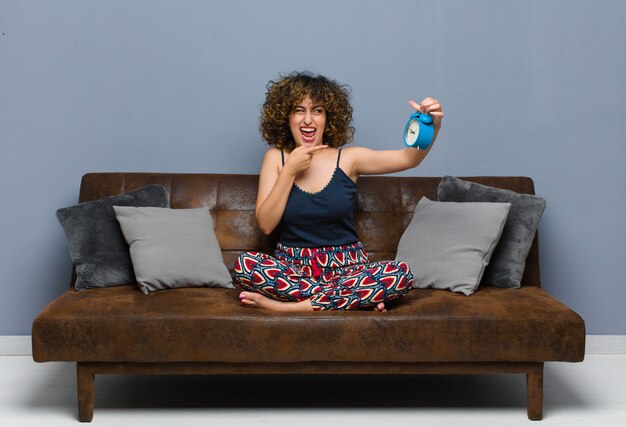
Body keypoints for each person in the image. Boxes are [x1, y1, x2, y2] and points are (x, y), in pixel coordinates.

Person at [234, 72, 443, 312]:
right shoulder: (276, 158)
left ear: (328, 118)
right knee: (245, 265)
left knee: (401, 273)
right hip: (293, 269)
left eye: (318, 111)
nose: (308, 120)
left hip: (348, 268)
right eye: (299, 110)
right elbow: (267, 225)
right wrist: (290, 171)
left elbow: (409, 159)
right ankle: (352, 299)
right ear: (286, 117)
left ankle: (289, 308)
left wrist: (433, 125)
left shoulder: (349, 159)